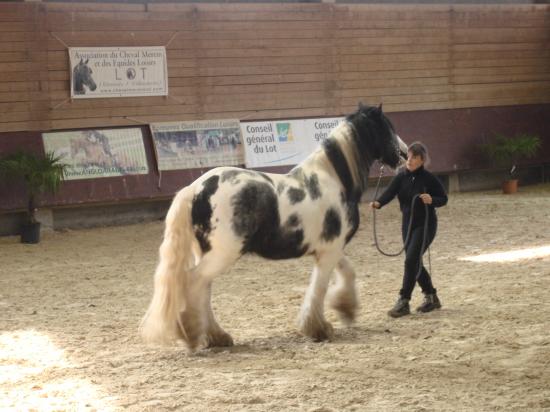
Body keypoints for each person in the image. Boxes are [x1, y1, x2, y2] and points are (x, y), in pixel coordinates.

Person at [370, 142, 448, 317]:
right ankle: (431, 296)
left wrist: (432, 200)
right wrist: (379, 203)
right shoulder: (401, 177)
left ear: (422, 160)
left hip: (426, 224)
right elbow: (390, 193)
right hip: (407, 224)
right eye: (409, 156)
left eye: (414, 157)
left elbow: (443, 198)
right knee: (413, 261)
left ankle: (404, 300)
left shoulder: (429, 179)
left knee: (411, 259)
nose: (409, 160)